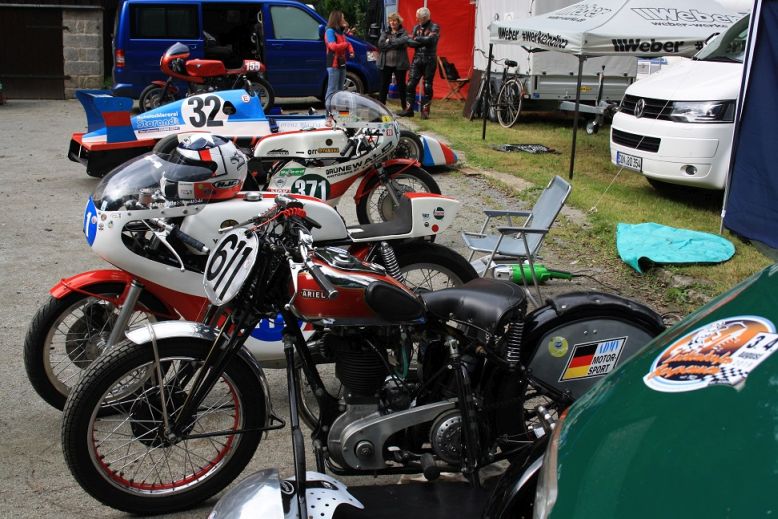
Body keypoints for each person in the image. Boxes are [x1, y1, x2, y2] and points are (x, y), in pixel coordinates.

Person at [397, 7, 439, 119]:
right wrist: (422, 40)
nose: (416, 19)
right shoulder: (416, 27)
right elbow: (409, 42)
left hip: (429, 59)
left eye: (418, 18)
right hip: (417, 59)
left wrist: (417, 38)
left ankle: (425, 111)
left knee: (427, 85)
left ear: (425, 18)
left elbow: (431, 40)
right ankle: (409, 109)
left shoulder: (434, 27)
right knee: (410, 84)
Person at [377, 13, 410, 111]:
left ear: (398, 22)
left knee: (401, 86)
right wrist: (396, 43)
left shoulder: (404, 32)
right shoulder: (385, 32)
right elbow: (381, 45)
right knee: (383, 86)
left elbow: (403, 41)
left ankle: (405, 108)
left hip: (399, 64)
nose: (392, 22)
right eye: (390, 21)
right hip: (385, 63)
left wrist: (389, 41)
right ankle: (381, 108)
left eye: (394, 20)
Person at [324, 10, 355, 102]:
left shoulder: (340, 32)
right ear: (337, 19)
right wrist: (345, 45)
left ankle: (337, 108)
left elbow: (348, 43)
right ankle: (329, 110)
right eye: (342, 17)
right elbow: (332, 46)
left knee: (340, 90)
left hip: (341, 63)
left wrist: (351, 51)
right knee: (332, 89)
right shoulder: (330, 31)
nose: (344, 19)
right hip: (333, 63)